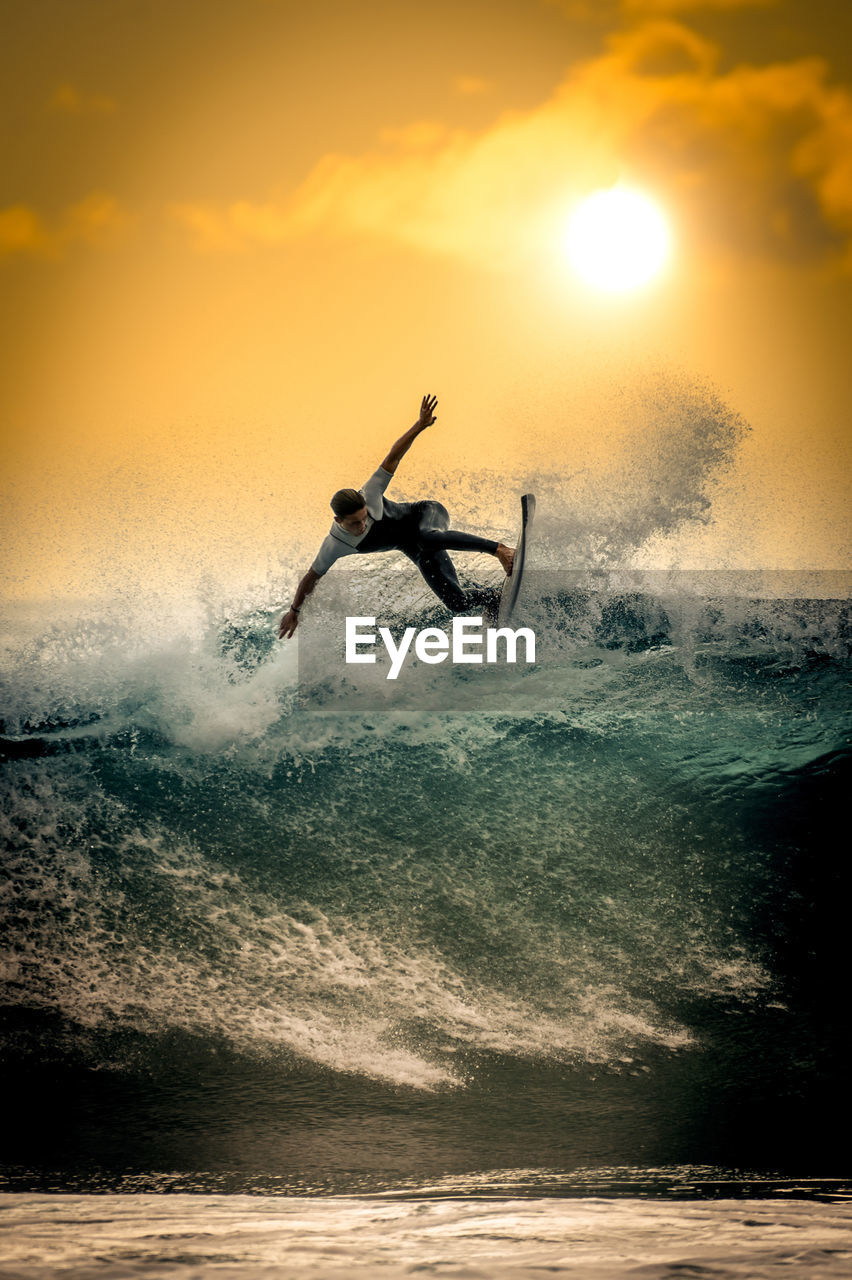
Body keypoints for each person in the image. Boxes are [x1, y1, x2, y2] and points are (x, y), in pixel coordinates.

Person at [278, 394, 515, 639]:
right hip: (421, 548)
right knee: (457, 603)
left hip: (428, 515)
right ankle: (491, 598)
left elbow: (393, 457)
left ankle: (500, 550)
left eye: (364, 518)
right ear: (339, 521)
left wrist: (420, 425)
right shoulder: (335, 545)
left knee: (426, 536)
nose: (362, 525)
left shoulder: (369, 494)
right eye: (355, 523)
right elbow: (312, 576)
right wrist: (294, 611)